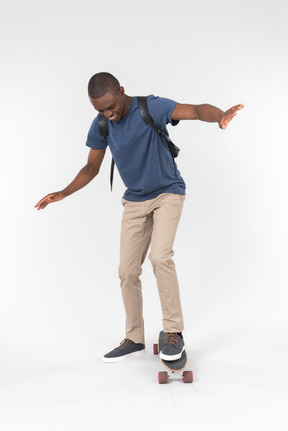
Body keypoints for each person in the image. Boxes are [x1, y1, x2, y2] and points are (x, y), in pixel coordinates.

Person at [35, 72, 244, 363]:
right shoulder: (102, 124)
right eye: (100, 110)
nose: (109, 114)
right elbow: (91, 168)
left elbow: (194, 110)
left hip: (167, 193)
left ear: (121, 91)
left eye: (111, 107)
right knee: (127, 271)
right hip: (134, 200)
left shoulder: (150, 107)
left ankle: (174, 331)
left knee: (160, 258)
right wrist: (62, 193)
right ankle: (134, 338)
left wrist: (220, 115)